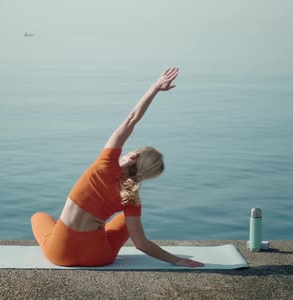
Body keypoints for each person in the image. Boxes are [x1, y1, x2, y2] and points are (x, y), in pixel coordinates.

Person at [31, 67, 204, 268]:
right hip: (98, 258)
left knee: (39, 217)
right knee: (126, 220)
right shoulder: (132, 200)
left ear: (133, 155)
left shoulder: (106, 163)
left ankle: (89, 234)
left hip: (59, 254)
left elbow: (131, 119)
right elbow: (142, 244)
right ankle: (96, 235)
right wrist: (175, 259)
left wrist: (155, 88)